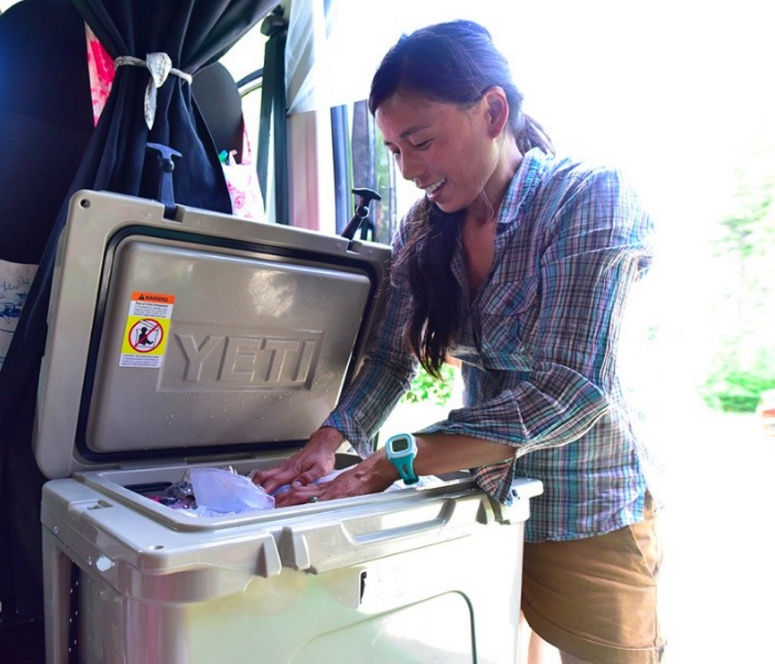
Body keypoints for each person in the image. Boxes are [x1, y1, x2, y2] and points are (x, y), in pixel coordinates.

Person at [252, 19, 664, 664]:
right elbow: (390, 356)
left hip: (585, 504)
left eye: (421, 141)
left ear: (493, 111)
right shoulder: (424, 226)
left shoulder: (588, 197)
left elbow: (572, 388)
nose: (410, 170)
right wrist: (329, 440)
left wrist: (394, 460)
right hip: (482, 500)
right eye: (394, 151)